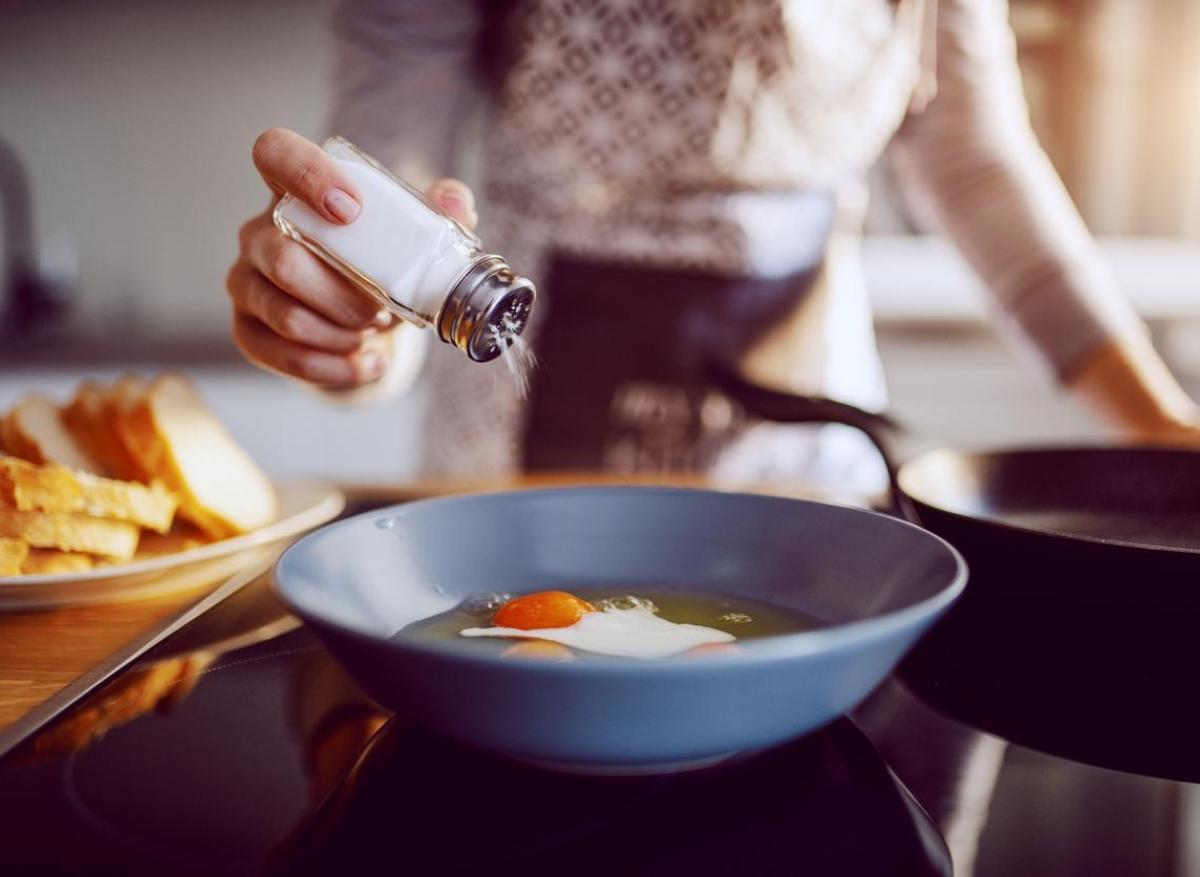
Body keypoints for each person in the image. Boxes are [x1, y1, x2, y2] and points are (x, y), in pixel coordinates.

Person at [227, 0, 1200, 489]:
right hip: (517, 434)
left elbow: (971, 155)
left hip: (810, 450)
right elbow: (395, 160)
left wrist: (1160, 428)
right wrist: (357, 326)